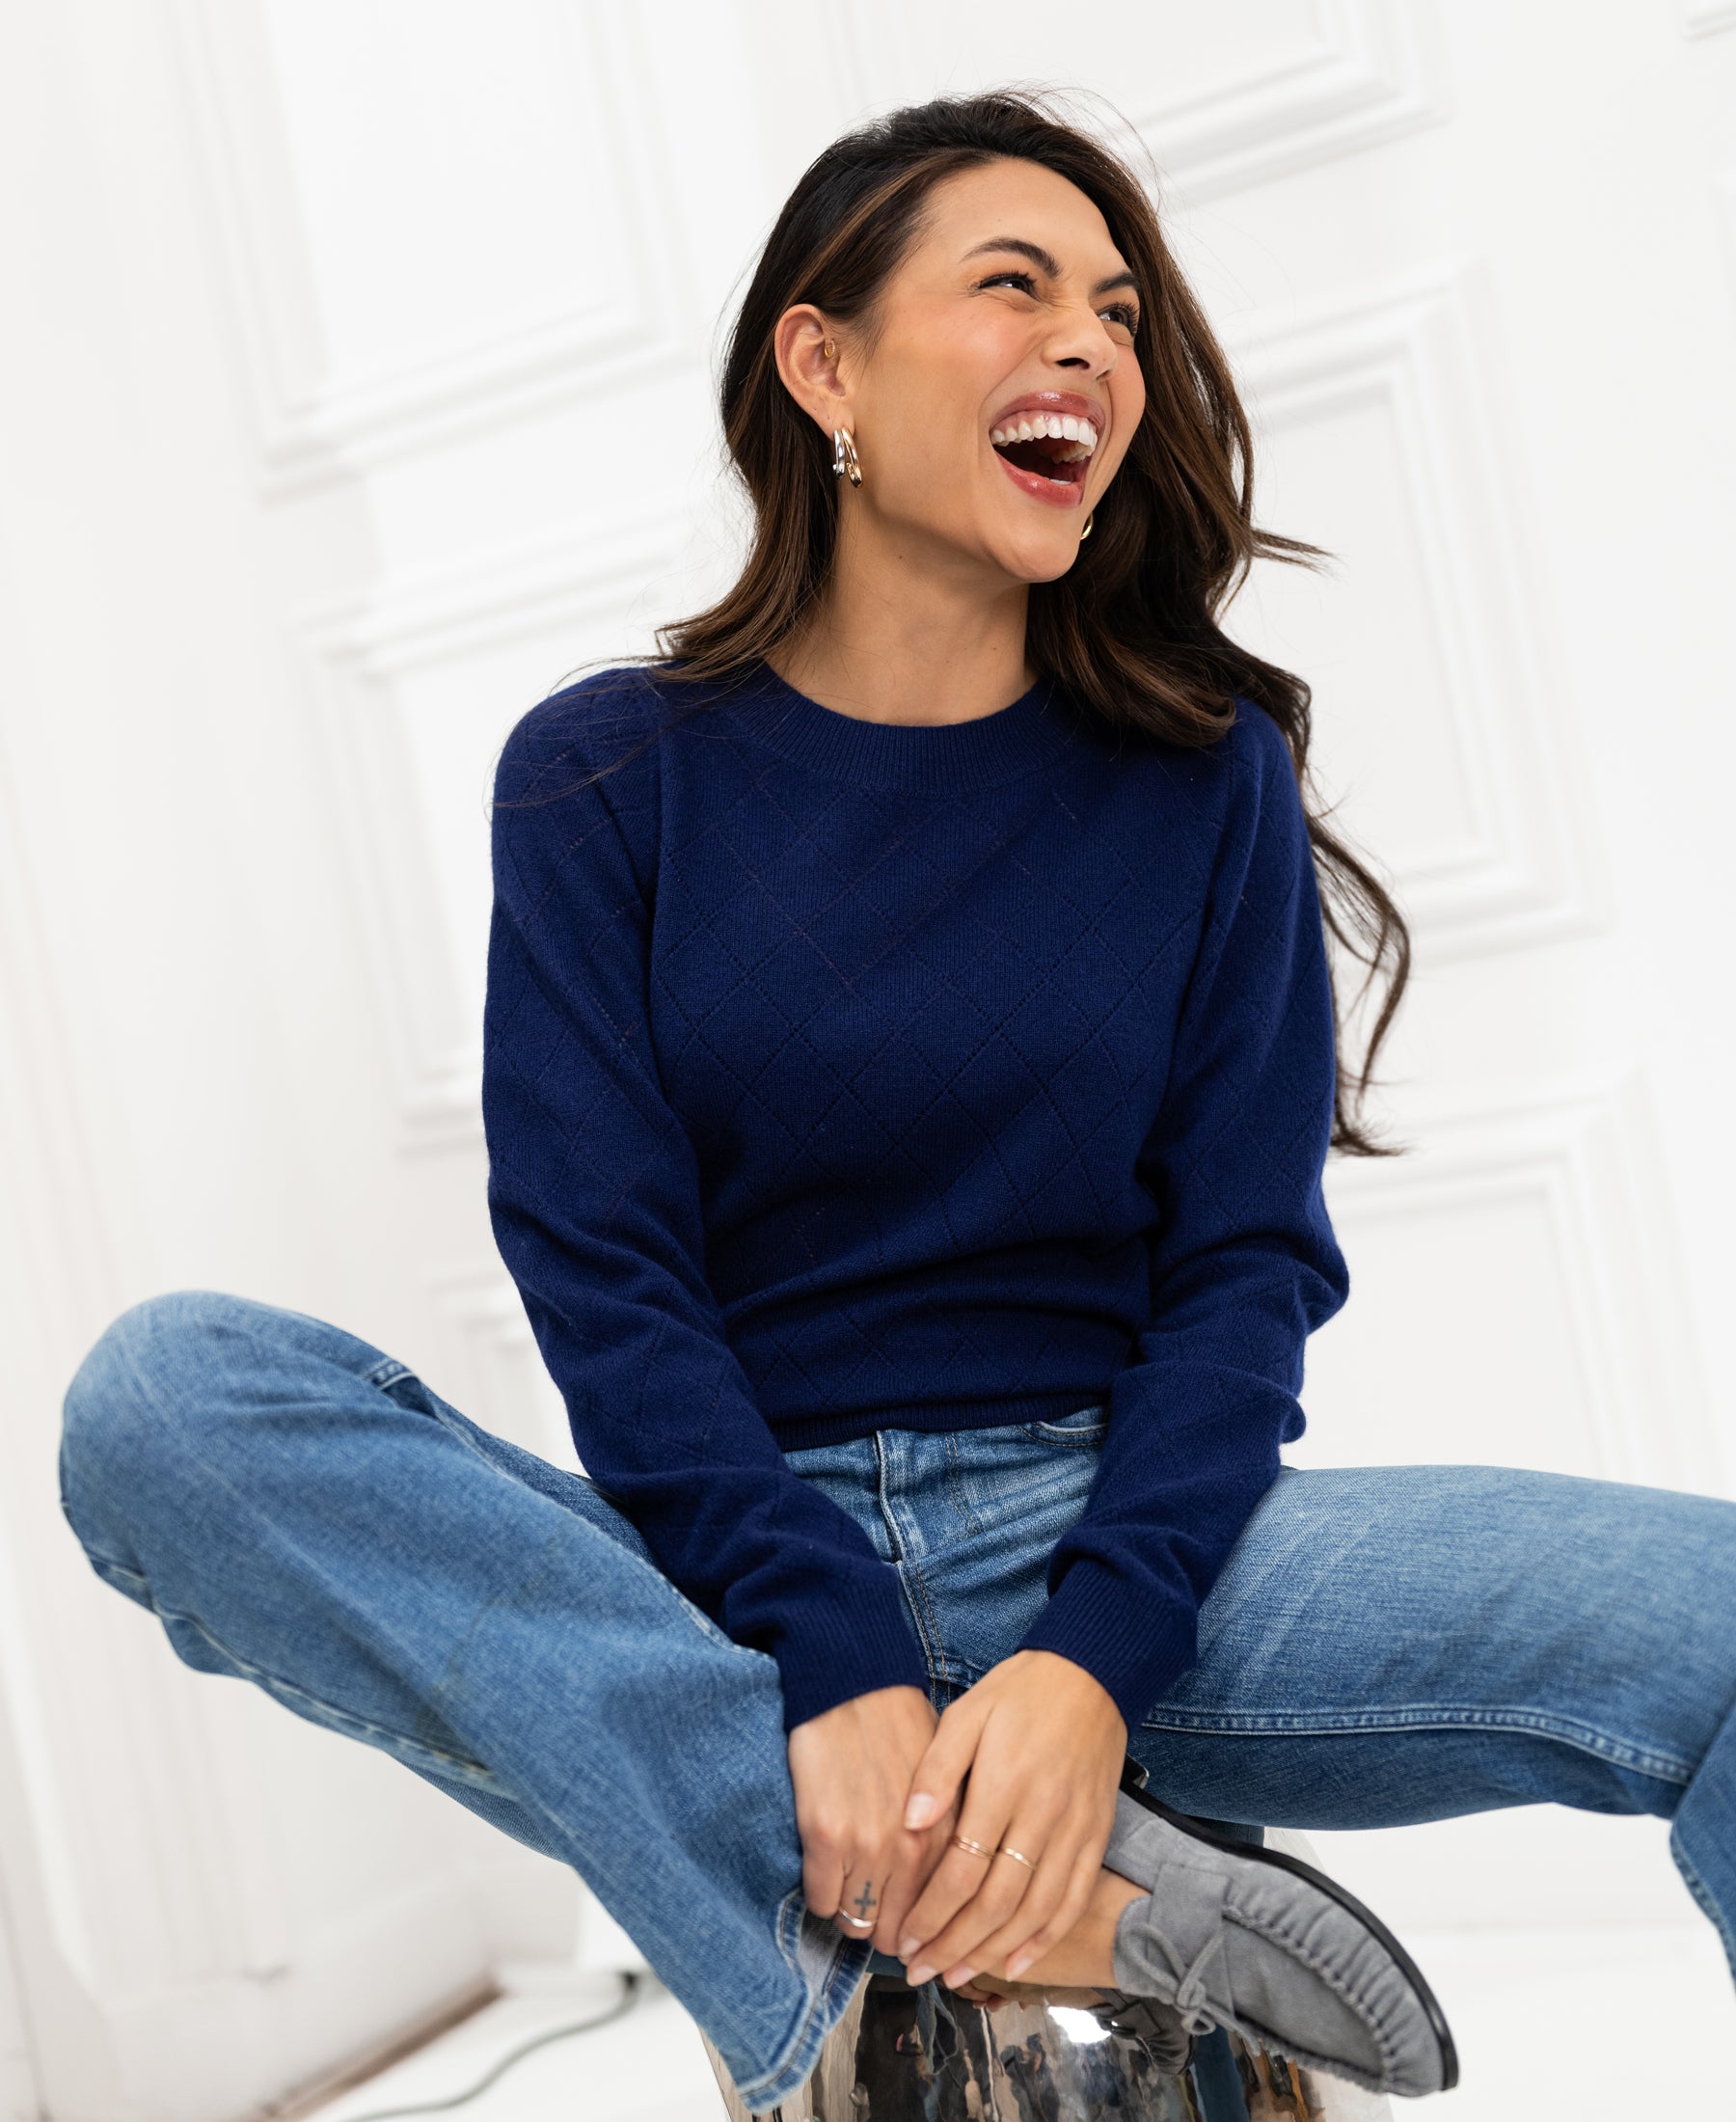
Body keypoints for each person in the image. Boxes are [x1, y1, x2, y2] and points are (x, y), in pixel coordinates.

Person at [56, 89, 1736, 2113]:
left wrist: (1089, 1667)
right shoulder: (605, 775)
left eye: (1120, 313)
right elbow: (604, 1271)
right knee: (163, 1402)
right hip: (720, 1593)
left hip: (1121, 1539)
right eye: (1015, 286)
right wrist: (827, 1645)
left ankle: (890, 1897)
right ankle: (975, 1913)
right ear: (823, 364)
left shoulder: (1203, 776)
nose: (1090, 345)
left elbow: (1243, 1272)